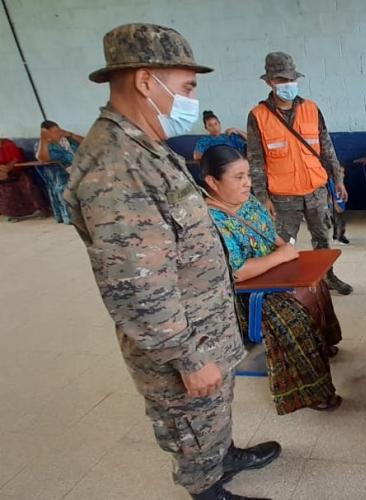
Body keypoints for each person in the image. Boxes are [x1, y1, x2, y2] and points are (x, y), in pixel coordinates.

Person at [63, 23, 279, 500]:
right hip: (181, 344)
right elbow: (137, 287)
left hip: (202, 325)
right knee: (191, 424)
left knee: (211, 415)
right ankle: (208, 489)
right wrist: (189, 357)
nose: (191, 99)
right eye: (186, 87)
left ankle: (224, 456)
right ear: (145, 81)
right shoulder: (115, 166)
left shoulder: (143, 148)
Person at [201, 145, 343, 413]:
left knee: (316, 286)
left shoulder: (248, 201)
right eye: (238, 177)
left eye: (248, 176)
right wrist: (282, 258)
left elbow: (270, 235)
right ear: (212, 182)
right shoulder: (212, 221)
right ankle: (312, 392)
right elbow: (239, 272)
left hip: (274, 270)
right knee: (292, 314)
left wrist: (286, 252)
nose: (247, 183)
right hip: (246, 295)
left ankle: (322, 344)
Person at [246, 51, 352, 295]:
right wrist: (262, 197)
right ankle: (285, 287)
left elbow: (327, 147)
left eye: (290, 79)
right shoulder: (258, 116)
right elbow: (255, 160)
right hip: (283, 195)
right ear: (269, 82)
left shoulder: (312, 109)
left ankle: (328, 278)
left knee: (322, 239)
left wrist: (338, 179)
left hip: (315, 189)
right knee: (284, 243)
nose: (287, 85)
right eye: (281, 80)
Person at [36, 120, 82, 223]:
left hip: (79, 169)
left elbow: (87, 143)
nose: (58, 133)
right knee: (64, 188)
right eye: (54, 131)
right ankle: (71, 217)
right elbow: (42, 158)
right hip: (61, 174)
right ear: (46, 133)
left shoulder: (67, 140)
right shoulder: (44, 145)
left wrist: (70, 134)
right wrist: (43, 140)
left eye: (59, 130)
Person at [0, 137, 49, 220]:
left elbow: (16, 159)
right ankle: (12, 214)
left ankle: (39, 210)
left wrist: (7, 168)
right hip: (3, 172)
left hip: (18, 170)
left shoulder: (8, 144)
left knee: (26, 183)